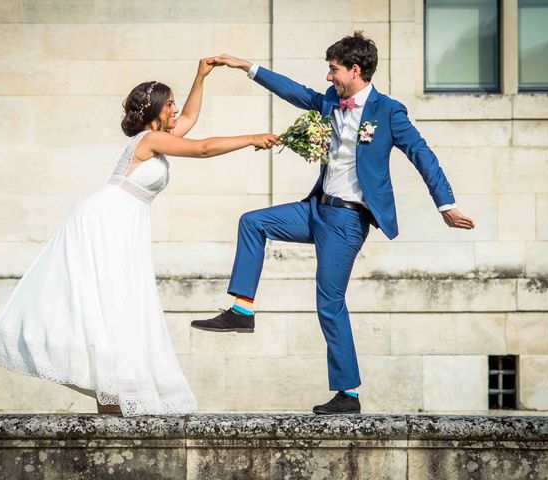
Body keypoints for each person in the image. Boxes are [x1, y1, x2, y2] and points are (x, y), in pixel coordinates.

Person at [0, 58, 279, 416]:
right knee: (93, 300)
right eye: (171, 104)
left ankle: (111, 396)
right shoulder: (149, 140)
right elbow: (203, 148)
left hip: (123, 224)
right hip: (104, 220)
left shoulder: (160, 137)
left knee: (116, 308)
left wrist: (201, 76)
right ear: (156, 111)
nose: (176, 109)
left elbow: (190, 121)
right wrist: (253, 137)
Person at [191, 32, 475, 415]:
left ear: (355, 70)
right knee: (252, 222)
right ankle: (242, 310)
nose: (329, 77)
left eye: (334, 70)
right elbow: (292, 91)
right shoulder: (329, 102)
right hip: (315, 210)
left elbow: (423, 156)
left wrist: (446, 205)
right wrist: (245, 66)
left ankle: (349, 394)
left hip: (347, 220)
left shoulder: (388, 112)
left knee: (329, 301)